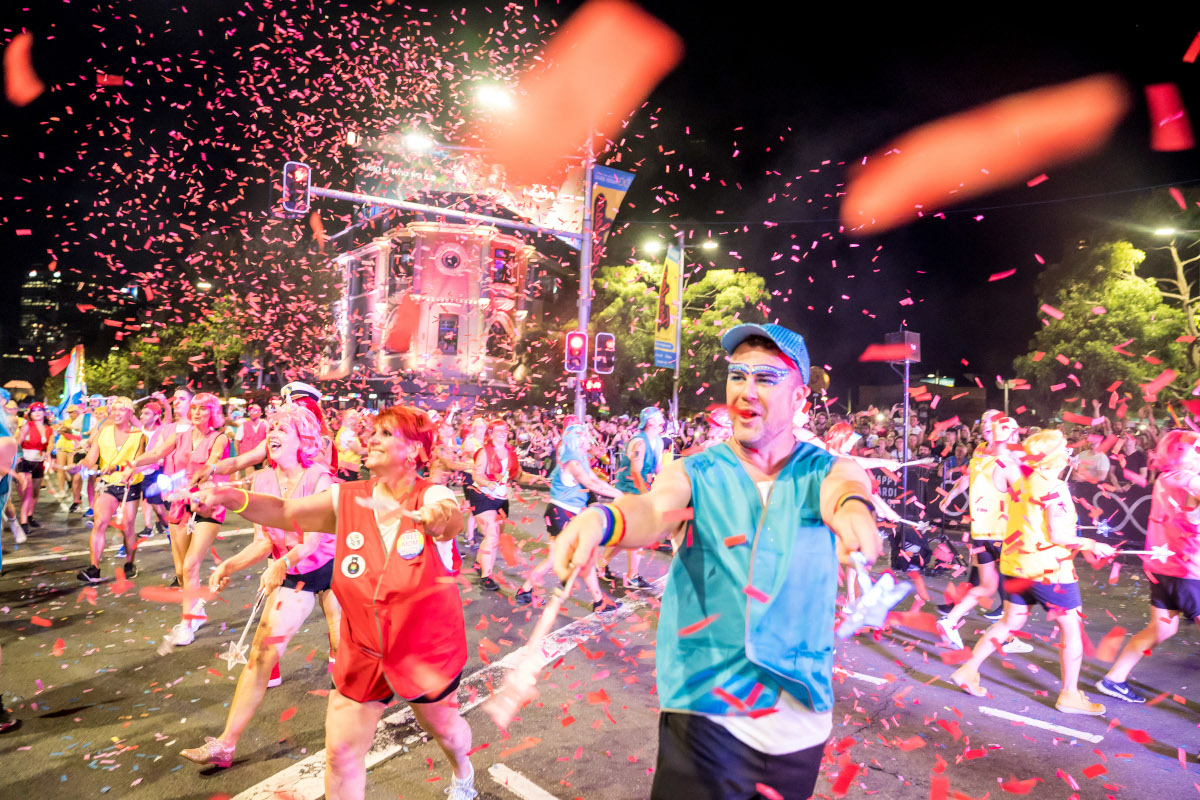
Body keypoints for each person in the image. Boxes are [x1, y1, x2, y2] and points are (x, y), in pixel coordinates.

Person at [553, 323, 881, 800]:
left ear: (800, 398)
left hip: (799, 718)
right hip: (705, 710)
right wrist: (602, 520)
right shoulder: (695, 470)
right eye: (737, 376)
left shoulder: (825, 469)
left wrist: (854, 513)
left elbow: (847, 489)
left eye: (766, 378)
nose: (746, 392)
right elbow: (653, 508)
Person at [196, 405, 478, 800]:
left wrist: (433, 516)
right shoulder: (346, 499)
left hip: (422, 650)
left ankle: (462, 771)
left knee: (447, 733)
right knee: (341, 753)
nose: (371, 440)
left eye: (384, 434)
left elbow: (450, 518)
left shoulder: (430, 494)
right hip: (361, 646)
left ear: (413, 451)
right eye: (373, 432)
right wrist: (229, 496)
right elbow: (285, 512)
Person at [181, 406, 340, 767]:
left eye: (283, 427)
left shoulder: (320, 479)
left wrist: (281, 564)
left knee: (343, 649)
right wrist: (229, 564)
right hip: (293, 575)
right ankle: (226, 743)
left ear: (303, 437)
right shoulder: (262, 481)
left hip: (333, 569)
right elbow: (265, 541)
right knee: (259, 657)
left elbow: (312, 543)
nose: (273, 432)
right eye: (271, 427)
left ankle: (351, 734)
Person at [950, 429, 1116, 714]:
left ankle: (968, 669)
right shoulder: (1054, 488)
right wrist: (1091, 543)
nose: (1069, 453)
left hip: (1017, 565)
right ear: (1053, 458)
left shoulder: (1023, 480)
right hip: (1049, 570)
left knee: (1009, 622)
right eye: (1064, 448)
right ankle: (1069, 695)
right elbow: (1059, 535)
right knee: (1072, 627)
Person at [1097, 429, 1200, 703]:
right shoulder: (1190, 481)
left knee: (1161, 629)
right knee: (1160, 629)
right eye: (1197, 448)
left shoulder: (1166, 479)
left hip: (1165, 569)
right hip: (1189, 573)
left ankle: (1114, 679)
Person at [134, 393, 229, 645]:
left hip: (207, 505)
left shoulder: (220, 438)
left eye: (203, 409)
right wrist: (131, 464)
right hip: (179, 503)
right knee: (180, 570)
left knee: (190, 566)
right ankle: (197, 612)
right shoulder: (180, 436)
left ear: (213, 412)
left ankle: (186, 624)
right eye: (194, 408)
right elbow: (155, 454)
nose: (196, 413)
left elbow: (213, 462)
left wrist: (199, 480)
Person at [937, 415, 1033, 653]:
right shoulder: (1008, 463)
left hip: (981, 533)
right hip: (1003, 534)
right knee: (1015, 589)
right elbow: (1031, 498)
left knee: (989, 586)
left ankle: (950, 622)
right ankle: (1006, 639)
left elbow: (969, 479)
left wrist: (949, 495)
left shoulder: (982, 456)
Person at [515, 422, 621, 611]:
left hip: (561, 513)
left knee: (555, 558)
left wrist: (617, 493)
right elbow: (593, 485)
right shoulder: (573, 462)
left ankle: (525, 591)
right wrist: (620, 495)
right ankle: (599, 601)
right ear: (575, 439)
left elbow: (595, 481)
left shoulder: (578, 458)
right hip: (562, 514)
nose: (587, 437)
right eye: (582, 435)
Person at [74, 397, 147, 582]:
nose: (116, 413)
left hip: (129, 485)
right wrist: (80, 465)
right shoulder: (103, 432)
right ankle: (94, 569)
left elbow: (138, 463)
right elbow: (90, 459)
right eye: (114, 410)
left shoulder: (140, 435)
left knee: (128, 526)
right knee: (99, 523)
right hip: (107, 485)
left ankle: (130, 563)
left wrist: (117, 468)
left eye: (121, 410)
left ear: (131, 413)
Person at [471, 419, 544, 592]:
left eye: (505, 429)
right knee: (492, 535)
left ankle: (479, 561)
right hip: (483, 496)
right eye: (498, 430)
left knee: (493, 537)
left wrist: (535, 479)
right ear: (490, 433)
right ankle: (486, 577)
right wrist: (486, 483)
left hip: (501, 499)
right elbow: (477, 474)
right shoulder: (484, 452)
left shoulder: (511, 452)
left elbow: (517, 476)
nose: (503, 432)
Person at [607, 407, 667, 589]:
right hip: (630, 492)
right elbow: (635, 471)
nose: (662, 419)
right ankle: (631, 576)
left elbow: (658, 469)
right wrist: (646, 496)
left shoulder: (659, 441)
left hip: (642, 491)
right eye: (659, 417)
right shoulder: (638, 442)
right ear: (650, 421)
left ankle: (600, 564)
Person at [13, 402, 52, 533]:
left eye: (40, 410)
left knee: (35, 492)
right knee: (27, 492)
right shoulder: (26, 426)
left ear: (44, 413)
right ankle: (23, 523)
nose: (37, 412)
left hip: (38, 462)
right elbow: (17, 442)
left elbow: (50, 444)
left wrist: (48, 452)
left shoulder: (48, 429)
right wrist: (17, 457)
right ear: (30, 413)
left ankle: (30, 516)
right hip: (24, 461)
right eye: (34, 410)